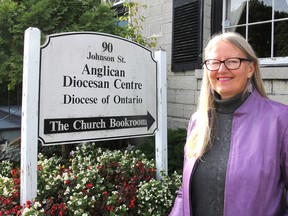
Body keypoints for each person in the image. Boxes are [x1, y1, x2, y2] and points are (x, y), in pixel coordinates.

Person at [169, 32, 288, 216]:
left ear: (250, 68)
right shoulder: (197, 121)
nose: (222, 69)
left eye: (233, 61)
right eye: (214, 62)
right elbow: (184, 192)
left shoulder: (280, 120)